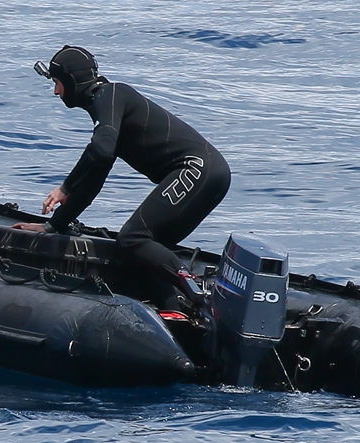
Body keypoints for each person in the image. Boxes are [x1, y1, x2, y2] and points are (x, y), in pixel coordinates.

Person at [14, 45, 231, 305]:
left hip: (196, 169)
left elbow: (101, 152)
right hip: (209, 173)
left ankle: (200, 295)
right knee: (143, 250)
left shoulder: (110, 94)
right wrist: (53, 225)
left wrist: (65, 187)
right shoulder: (109, 115)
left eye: (58, 83)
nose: (56, 91)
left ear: (72, 81)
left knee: (132, 238)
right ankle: (176, 310)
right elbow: (94, 177)